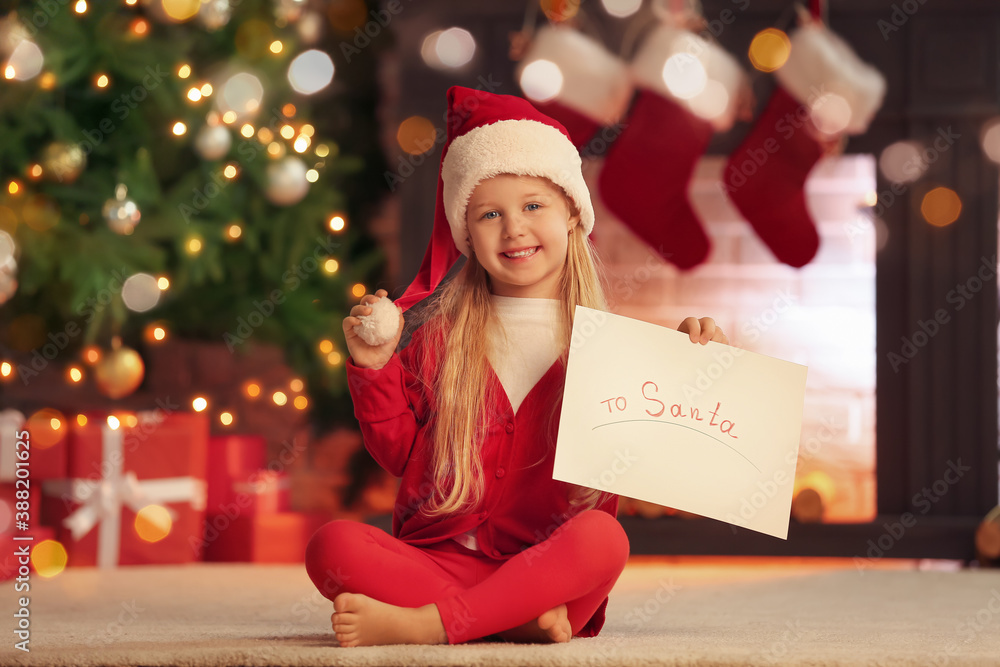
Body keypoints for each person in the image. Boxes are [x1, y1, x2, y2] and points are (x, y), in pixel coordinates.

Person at [304, 86, 728, 647]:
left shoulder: (611, 349)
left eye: (533, 205)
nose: (514, 229)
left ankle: (433, 625)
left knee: (603, 538)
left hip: (549, 569)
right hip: (441, 562)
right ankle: (514, 620)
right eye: (489, 215)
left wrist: (692, 366)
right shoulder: (438, 341)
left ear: (573, 215)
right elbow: (398, 456)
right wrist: (375, 368)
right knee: (332, 547)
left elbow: (668, 451)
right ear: (466, 235)